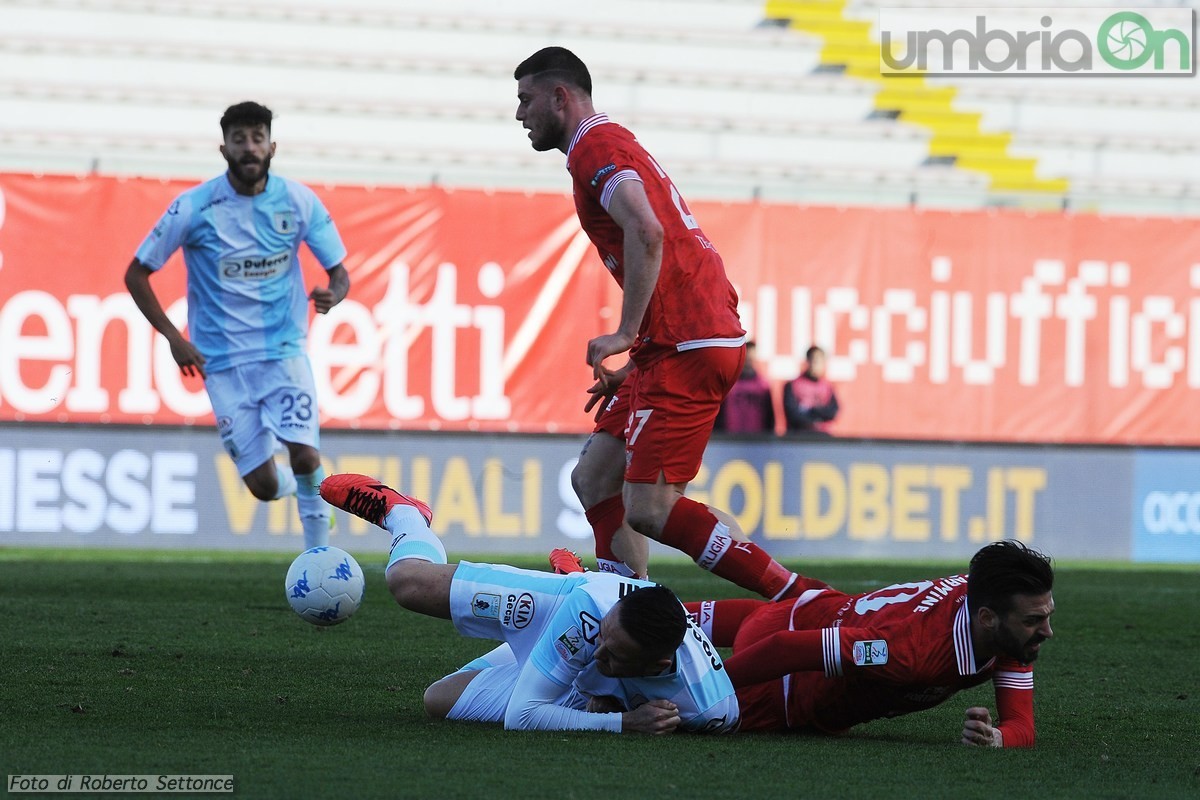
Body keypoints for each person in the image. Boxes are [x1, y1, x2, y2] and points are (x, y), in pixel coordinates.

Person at [515, 46, 807, 599]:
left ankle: (799, 600)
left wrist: (625, 335)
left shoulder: (594, 146)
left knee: (649, 507)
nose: (519, 113)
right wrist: (638, 355)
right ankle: (626, 606)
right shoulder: (604, 141)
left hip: (687, 339)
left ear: (560, 97)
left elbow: (646, 232)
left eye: (526, 99)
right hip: (672, 339)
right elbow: (659, 239)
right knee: (594, 477)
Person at [320, 473, 739, 735]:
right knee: (407, 582)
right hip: (568, 606)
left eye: (614, 655)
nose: (599, 651)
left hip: (585, 638)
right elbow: (522, 716)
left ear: (657, 666)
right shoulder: (594, 617)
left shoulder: (710, 709)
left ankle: (565, 624)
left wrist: (609, 701)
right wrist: (623, 722)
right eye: (606, 640)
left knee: (439, 700)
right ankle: (407, 516)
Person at [124, 101, 350, 550]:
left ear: (272, 146)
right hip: (222, 364)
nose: (250, 147)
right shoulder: (194, 207)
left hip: (284, 354)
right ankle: (308, 493)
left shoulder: (298, 201)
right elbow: (136, 273)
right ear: (224, 147)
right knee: (263, 487)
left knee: (305, 454)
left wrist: (334, 294)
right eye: (240, 139)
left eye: (258, 137)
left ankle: (320, 557)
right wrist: (173, 338)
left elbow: (339, 273)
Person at [686, 540, 1055, 747]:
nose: (1046, 630)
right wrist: (701, 691)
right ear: (988, 618)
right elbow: (786, 649)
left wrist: (994, 739)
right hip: (780, 688)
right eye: (1034, 620)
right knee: (654, 704)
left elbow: (1021, 725)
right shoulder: (911, 652)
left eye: (1046, 616)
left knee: (646, 613)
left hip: (804, 609)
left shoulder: (996, 613)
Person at [713, 341, 776, 434]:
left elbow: (770, 416)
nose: (748, 362)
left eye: (751, 359)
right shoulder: (728, 383)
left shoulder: (764, 386)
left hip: (757, 439)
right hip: (730, 439)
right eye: (747, 359)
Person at [783, 345, 839, 435]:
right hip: (799, 437)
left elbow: (833, 412)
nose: (815, 365)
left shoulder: (827, 386)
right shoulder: (793, 385)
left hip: (823, 437)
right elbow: (793, 415)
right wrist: (815, 418)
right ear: (807, 361)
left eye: (819, 361)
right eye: (814, 360)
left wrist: (812, 411)